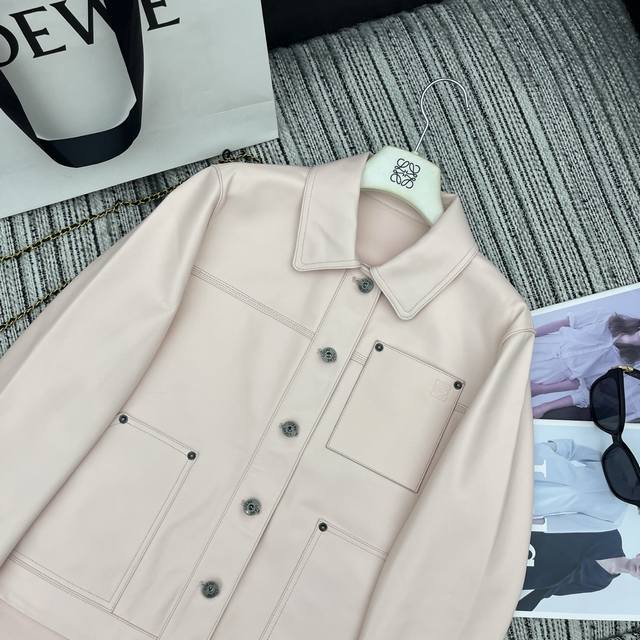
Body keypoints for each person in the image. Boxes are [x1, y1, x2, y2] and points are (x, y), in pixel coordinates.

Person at [530, 309, 640, 419]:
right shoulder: (607, 319)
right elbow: (564, 323)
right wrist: (528, 335)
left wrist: (543, 405)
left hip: (547, 374)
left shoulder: (624, 365)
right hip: (541, 346)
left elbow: (584, 390)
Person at [518, 529, 640, 611]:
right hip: (533, 542)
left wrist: (524, 605)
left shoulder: (601, 583)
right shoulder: (611, 535)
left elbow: (555, 590)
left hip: (529, 574)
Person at [533, 439, 629, 533]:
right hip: (540, 463)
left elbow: (562, 524)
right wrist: (545, 448)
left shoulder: (614, 518)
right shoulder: (614, 461)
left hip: (541, 500)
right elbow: (572, 450)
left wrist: (529, 522)